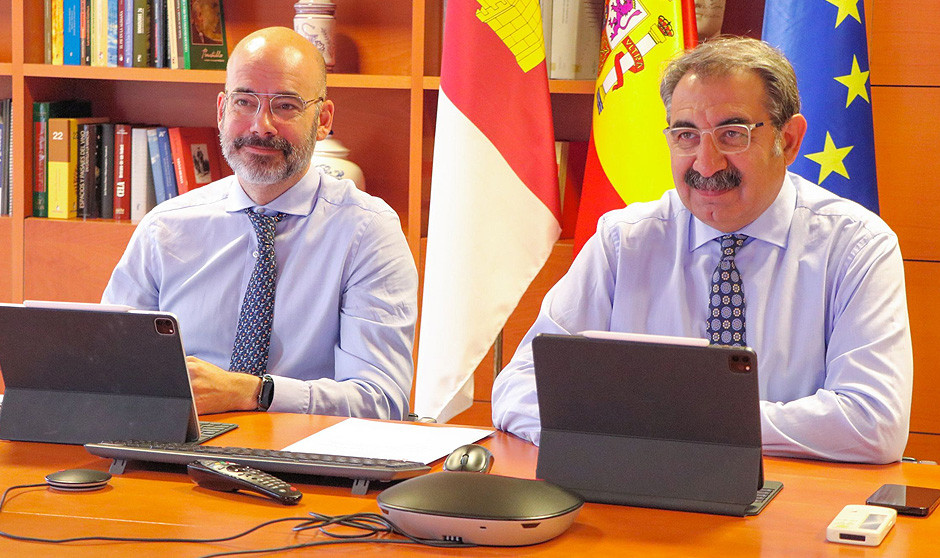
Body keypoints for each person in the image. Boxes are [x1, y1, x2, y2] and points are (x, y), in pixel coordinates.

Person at [491, 36, 913, 464]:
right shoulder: (624, 242)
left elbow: (874, 421)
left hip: (789, 503)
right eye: (686, 135)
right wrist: (635, 433)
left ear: (787, 141)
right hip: (639, 489)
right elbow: (519, 385)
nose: (706, 163)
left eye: (732, 134)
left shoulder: (856, 246)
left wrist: (684, 425)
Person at [102, 27, 418, 420]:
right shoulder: (166, 227)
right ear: (221, 111)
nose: (260, 125)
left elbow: (381, 401)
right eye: (245, 101)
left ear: (323, 120)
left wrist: (256, 393)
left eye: (285, 105)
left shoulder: (368, 233)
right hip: (179, 451)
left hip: (307, 459)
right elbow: (108, 369)